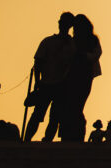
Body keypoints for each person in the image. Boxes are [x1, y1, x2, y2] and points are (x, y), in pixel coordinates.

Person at [25, 12, 76, 141]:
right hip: (46, 84)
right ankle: (27, 139)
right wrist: (38, 82)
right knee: (37, 114)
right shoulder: (48, 41)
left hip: (62, 86)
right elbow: (38, 63)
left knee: (55, 117)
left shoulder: (72, 45)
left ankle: (47, 140)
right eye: (61, 22)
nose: (61, 24)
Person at [59, 14, 102, 142]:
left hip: (84, 76)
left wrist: (82, 55)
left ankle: (76, 134)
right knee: (70, 106)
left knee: (76, 106)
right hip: (71, 76)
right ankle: (69, 134)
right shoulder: (73, 40)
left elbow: (96, 54)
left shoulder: (92, 40)